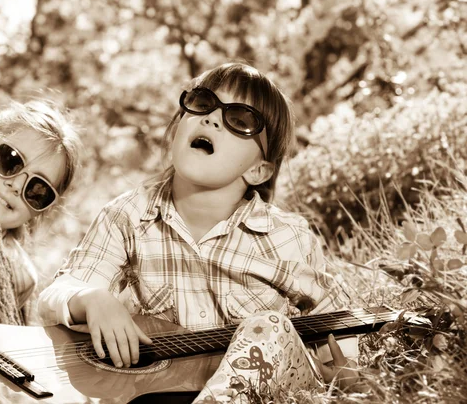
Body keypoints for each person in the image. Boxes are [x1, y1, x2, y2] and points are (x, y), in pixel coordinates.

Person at [38, 62, 357, 401]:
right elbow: (58, 293)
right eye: (203, 103)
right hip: (161, 393)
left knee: (270, 327)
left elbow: (337, 324)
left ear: (258, 170)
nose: (212, 118)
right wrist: (90, 297)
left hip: (265, 394)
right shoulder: (127, 216)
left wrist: (345, 368)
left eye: (241, 120)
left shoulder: (287, 237)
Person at [0, 99, 81, 319]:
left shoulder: (18, 276)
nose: (17, 185)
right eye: (9, 160)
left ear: (42, 209)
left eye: (38, 189)